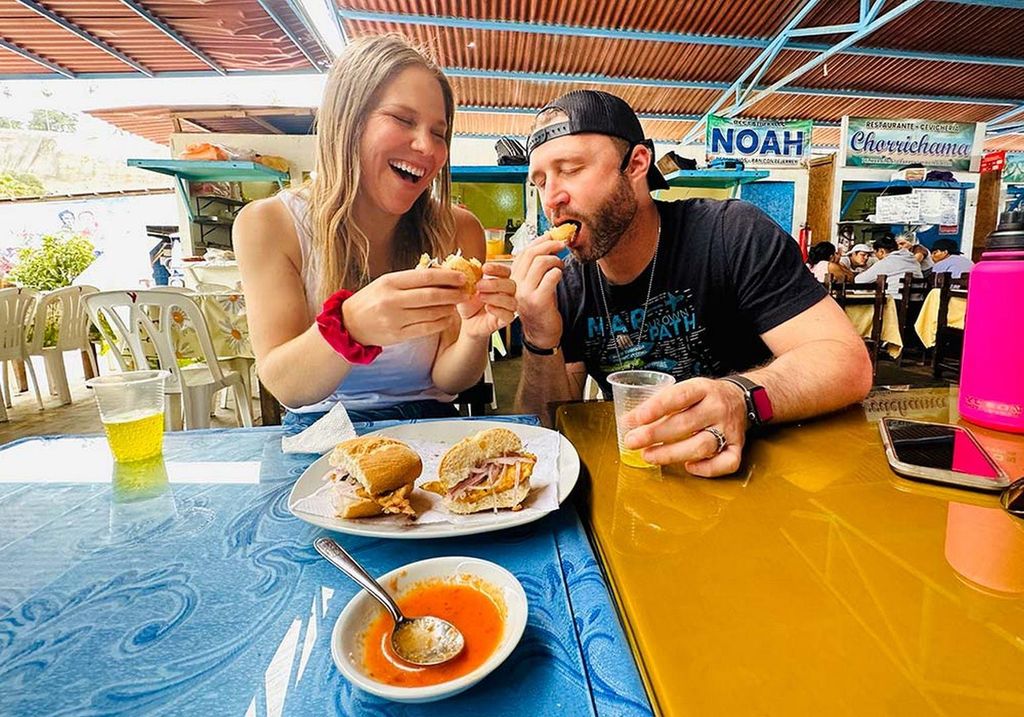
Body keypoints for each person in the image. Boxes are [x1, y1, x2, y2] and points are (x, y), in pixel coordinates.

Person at [512, 90, 872, 478]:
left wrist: (741, 398)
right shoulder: (568, 284)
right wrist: (537, 335)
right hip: (645, 478)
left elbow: (846, 363)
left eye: (571, 169)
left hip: (767, 472)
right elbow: (548, 428)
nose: (552, 198)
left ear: (635, 164)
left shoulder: (731, 233)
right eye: (540, 181)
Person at [234, 36, 516, 428]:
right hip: (318, 427)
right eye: (403, 119)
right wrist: (350, 326)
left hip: (432, 422)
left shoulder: (459, 228)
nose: (427, 147)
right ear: (347, 121)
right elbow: (289, 388)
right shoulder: (268, 225)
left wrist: (473, 333)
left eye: (439, 132)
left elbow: (449, 380)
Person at [854, 235, 922, 297]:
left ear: (881, 251)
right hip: (917, 303)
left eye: (875, 253)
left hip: (893, 303)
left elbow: (859, 280)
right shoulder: (913, 260)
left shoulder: (887, 262)